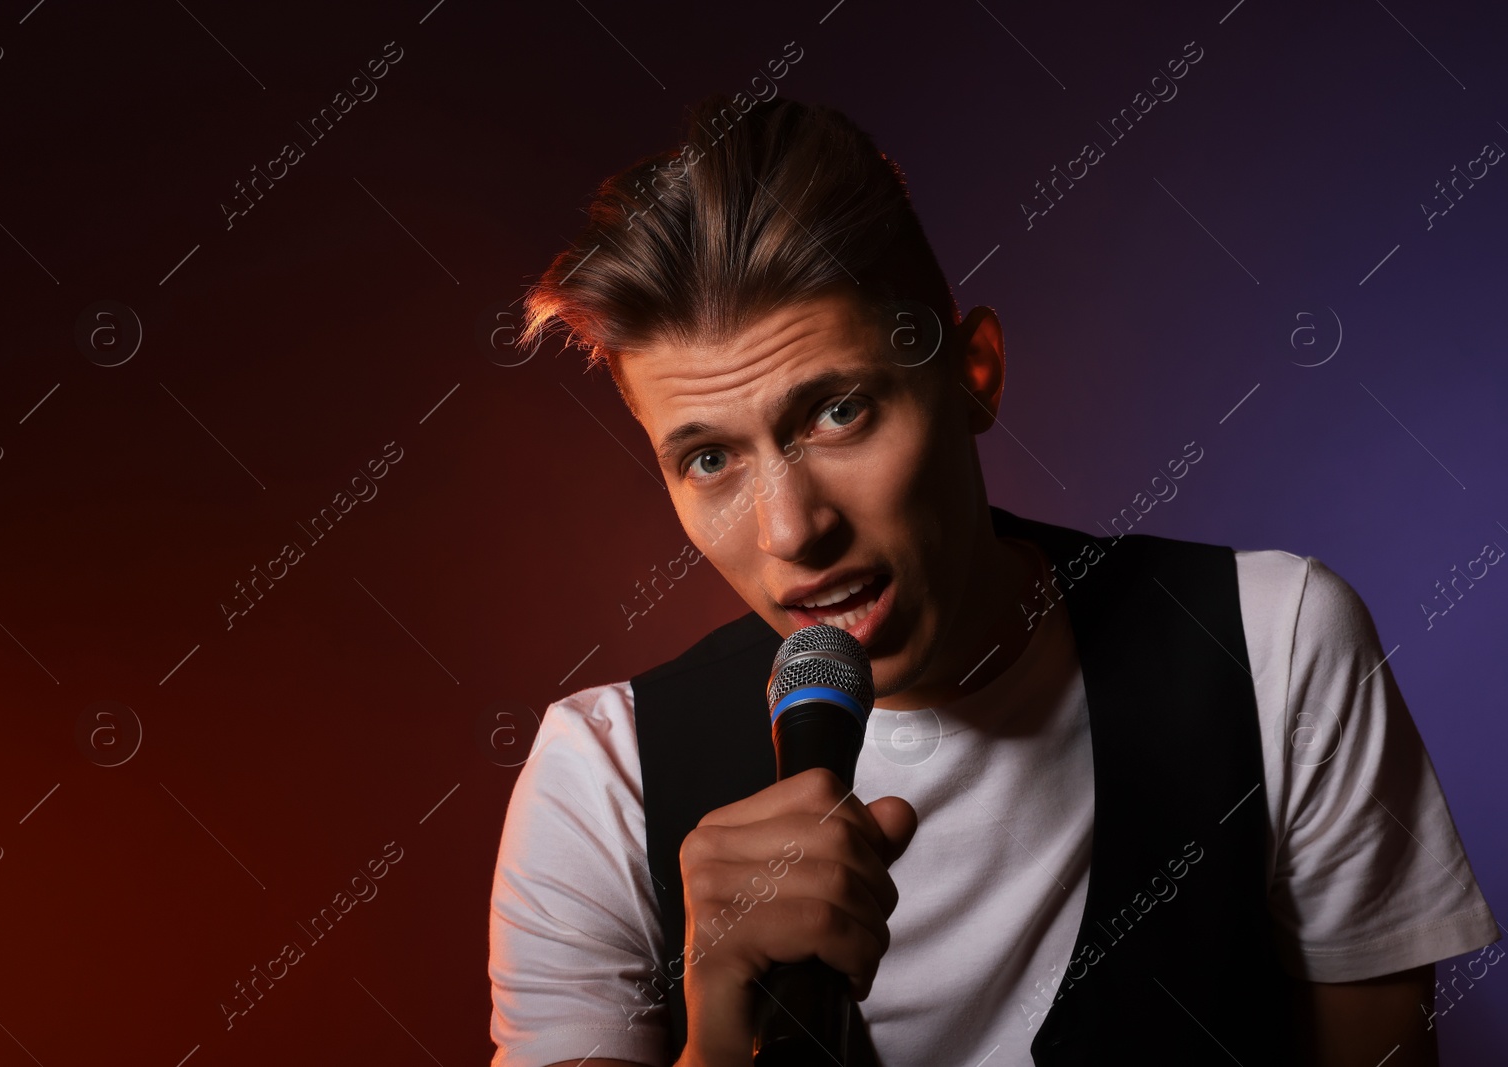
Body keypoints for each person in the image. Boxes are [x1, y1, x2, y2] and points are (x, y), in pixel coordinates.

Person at [486, 94, 1500, 1066]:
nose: (792, 528)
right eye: (709, 457)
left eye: (838, 411)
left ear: (973, 373)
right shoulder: (602, 781)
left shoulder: (1273, 646)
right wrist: (714, 1043)